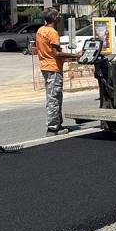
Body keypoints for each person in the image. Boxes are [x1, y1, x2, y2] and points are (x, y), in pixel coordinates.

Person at [35, 8, 81, 136]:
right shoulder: (52, 32)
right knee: (54, 98)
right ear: (55, 18)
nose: (60, 17)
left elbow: (49, 51)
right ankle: (53, 128)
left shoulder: (40, 30)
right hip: (53, 68)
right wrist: (76, 55)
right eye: (59, 15)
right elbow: (56, 53)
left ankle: (58, 124)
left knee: (54, 96)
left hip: (45, 66)